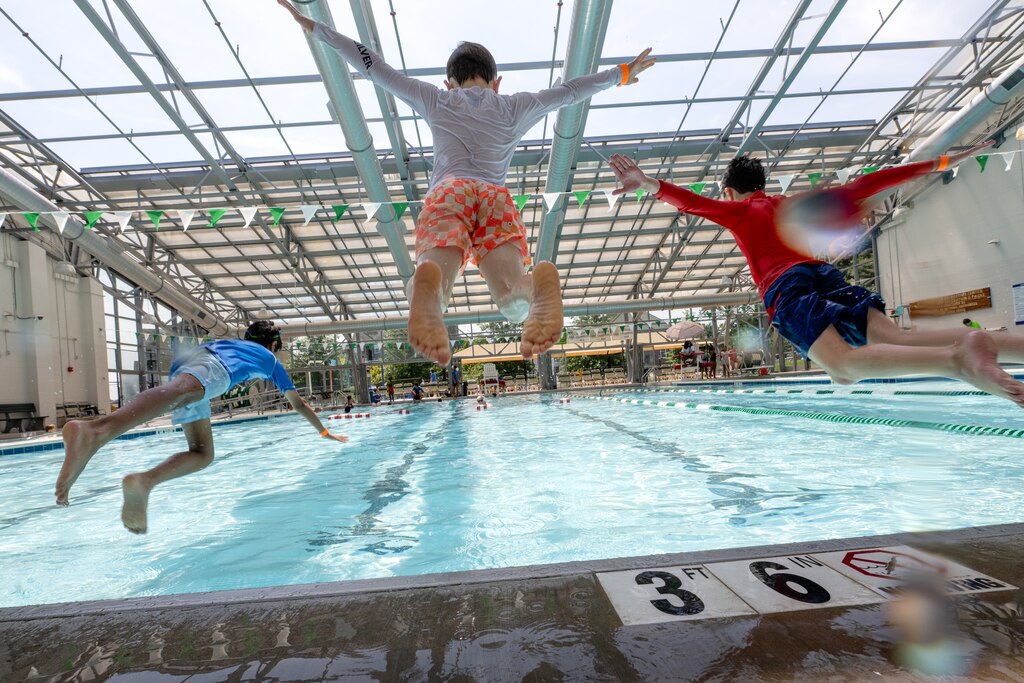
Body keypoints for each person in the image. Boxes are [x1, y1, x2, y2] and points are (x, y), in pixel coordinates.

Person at [278, 0, 655, 364]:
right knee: (511, 302)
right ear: (496, 83)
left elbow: (374, 67)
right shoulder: (513, 105)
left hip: (449, 193)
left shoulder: (437, 99)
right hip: (495, 197)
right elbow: (570, 91)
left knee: (435, 290)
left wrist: (315, 26)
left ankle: (429, 285)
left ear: (448, 82)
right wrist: (620, 74)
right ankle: (532, 285)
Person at [609, 143, 1024, 407]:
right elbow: (865, 184)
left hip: (787, 286)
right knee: (891, 341)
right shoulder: (794, 204)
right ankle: (1003, 345)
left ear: (730, 192)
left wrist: (649, 183)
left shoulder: (738, 210)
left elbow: (692, 203)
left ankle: (958, 362)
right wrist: (941, 161)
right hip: (826, 274)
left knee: (844, 365)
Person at [54, 321, 348, 533]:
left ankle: (145, 481)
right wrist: (324, 432)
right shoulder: (268, 358)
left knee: (202, 453)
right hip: (213, 369)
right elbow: (298, 404)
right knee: (183, 391)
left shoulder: (228, 342)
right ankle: (96, 430)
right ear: (272, 344)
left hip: (192, 361)